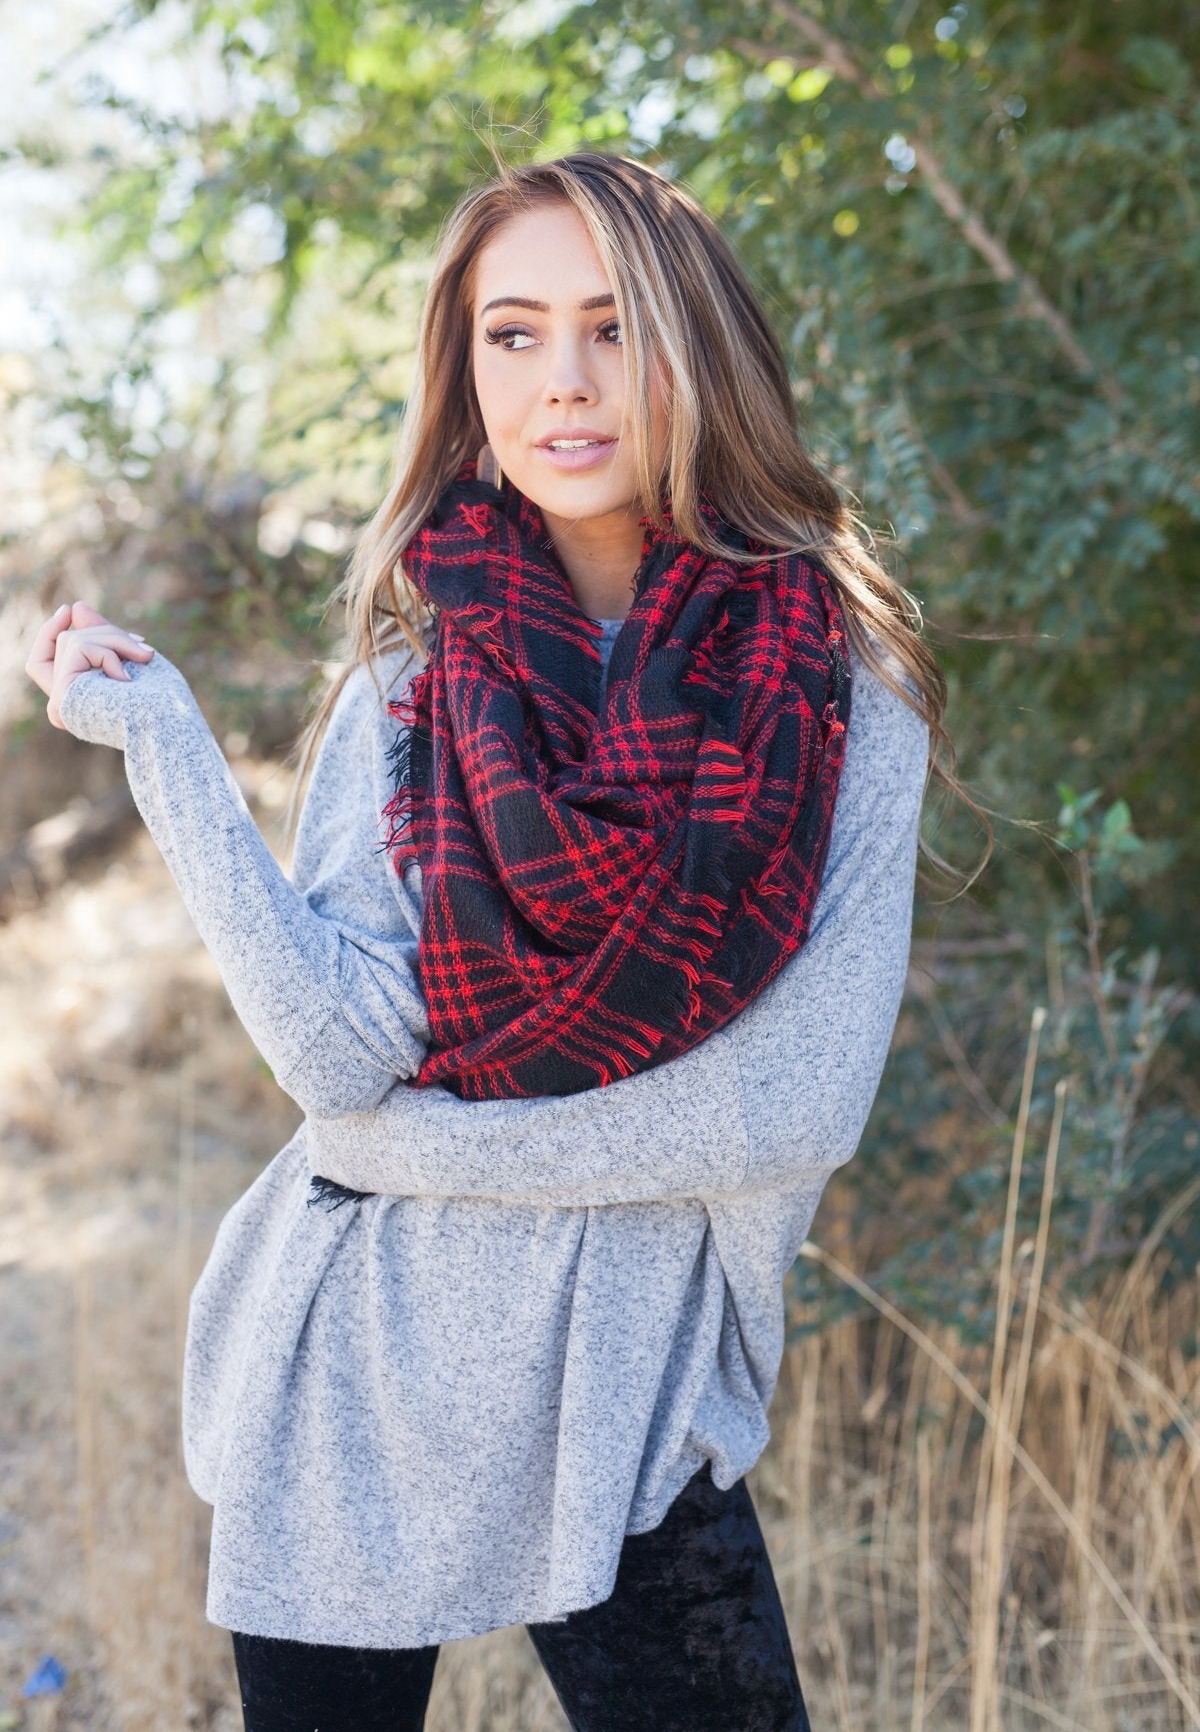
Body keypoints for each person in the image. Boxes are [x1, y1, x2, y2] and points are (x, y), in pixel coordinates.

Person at [25, 151, 987, 1731]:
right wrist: (170, 754)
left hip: (631, 1389)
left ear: (700, 348)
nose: (568, 383)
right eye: (515, 334)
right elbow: (342, 1057)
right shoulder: (417, 680)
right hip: (352, 1369)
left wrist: (412, 1153)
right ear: (466, 378)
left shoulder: (833, 687)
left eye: (615, 326)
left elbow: (793, 1108)